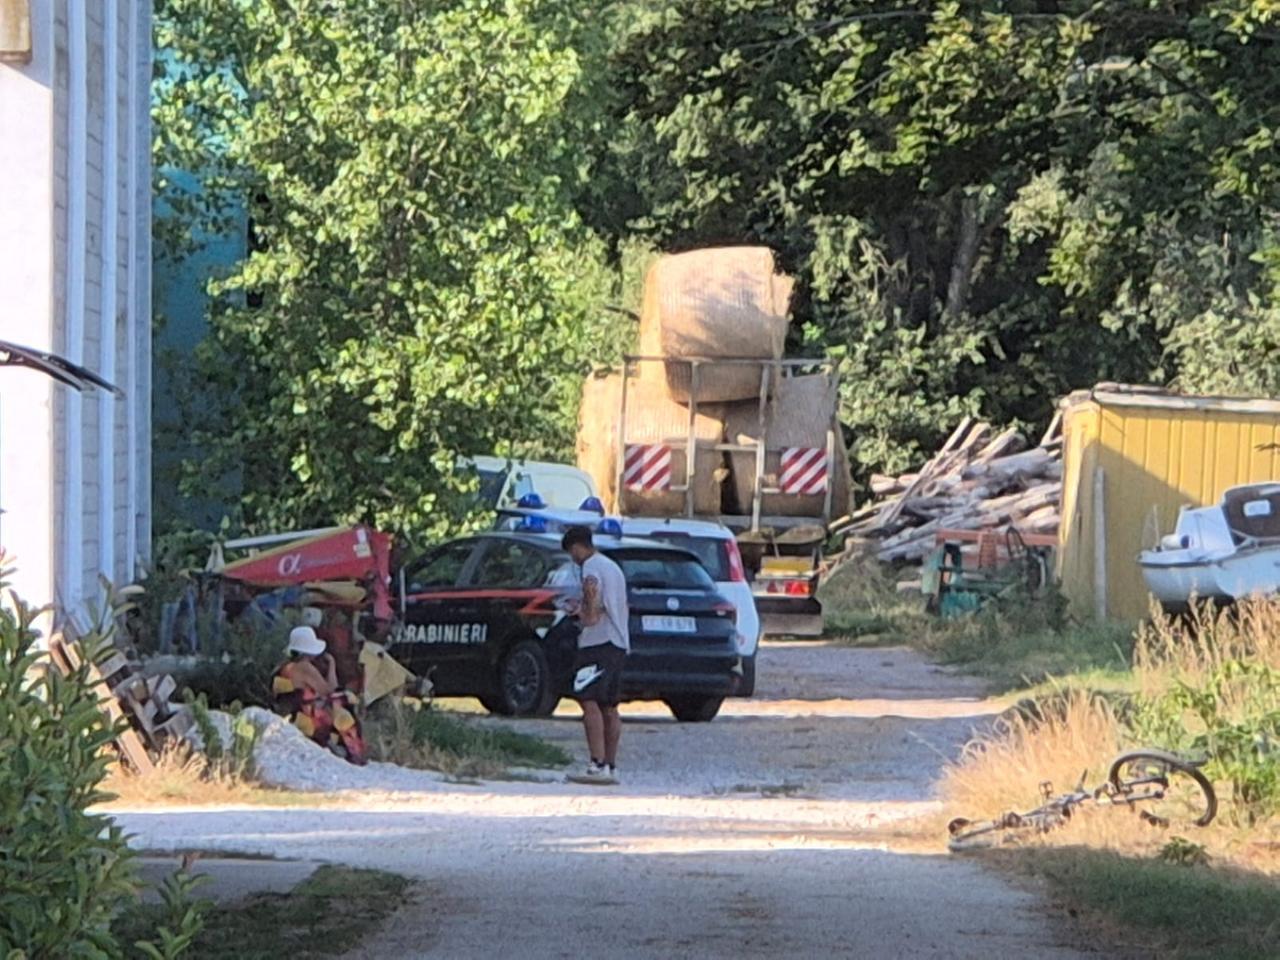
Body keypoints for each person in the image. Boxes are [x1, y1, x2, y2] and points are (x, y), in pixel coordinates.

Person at [561, 525, 629, 785]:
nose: (573, 558)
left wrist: (578, 612)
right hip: (619, 642)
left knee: (588, 700)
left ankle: (595, 763)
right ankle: (611, 765)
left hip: (597, 643)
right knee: (609, 706)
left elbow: (593, 610)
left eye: (572, 552)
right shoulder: (613, 567)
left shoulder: (590, 568)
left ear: (578, 547)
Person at [273, 625, 367, 765]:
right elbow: (329, 690)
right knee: (342, 703)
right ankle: (353, 751)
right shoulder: (305, 667)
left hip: (293, 711)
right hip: (305, 716)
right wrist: (332, 665)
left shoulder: (286, 667)